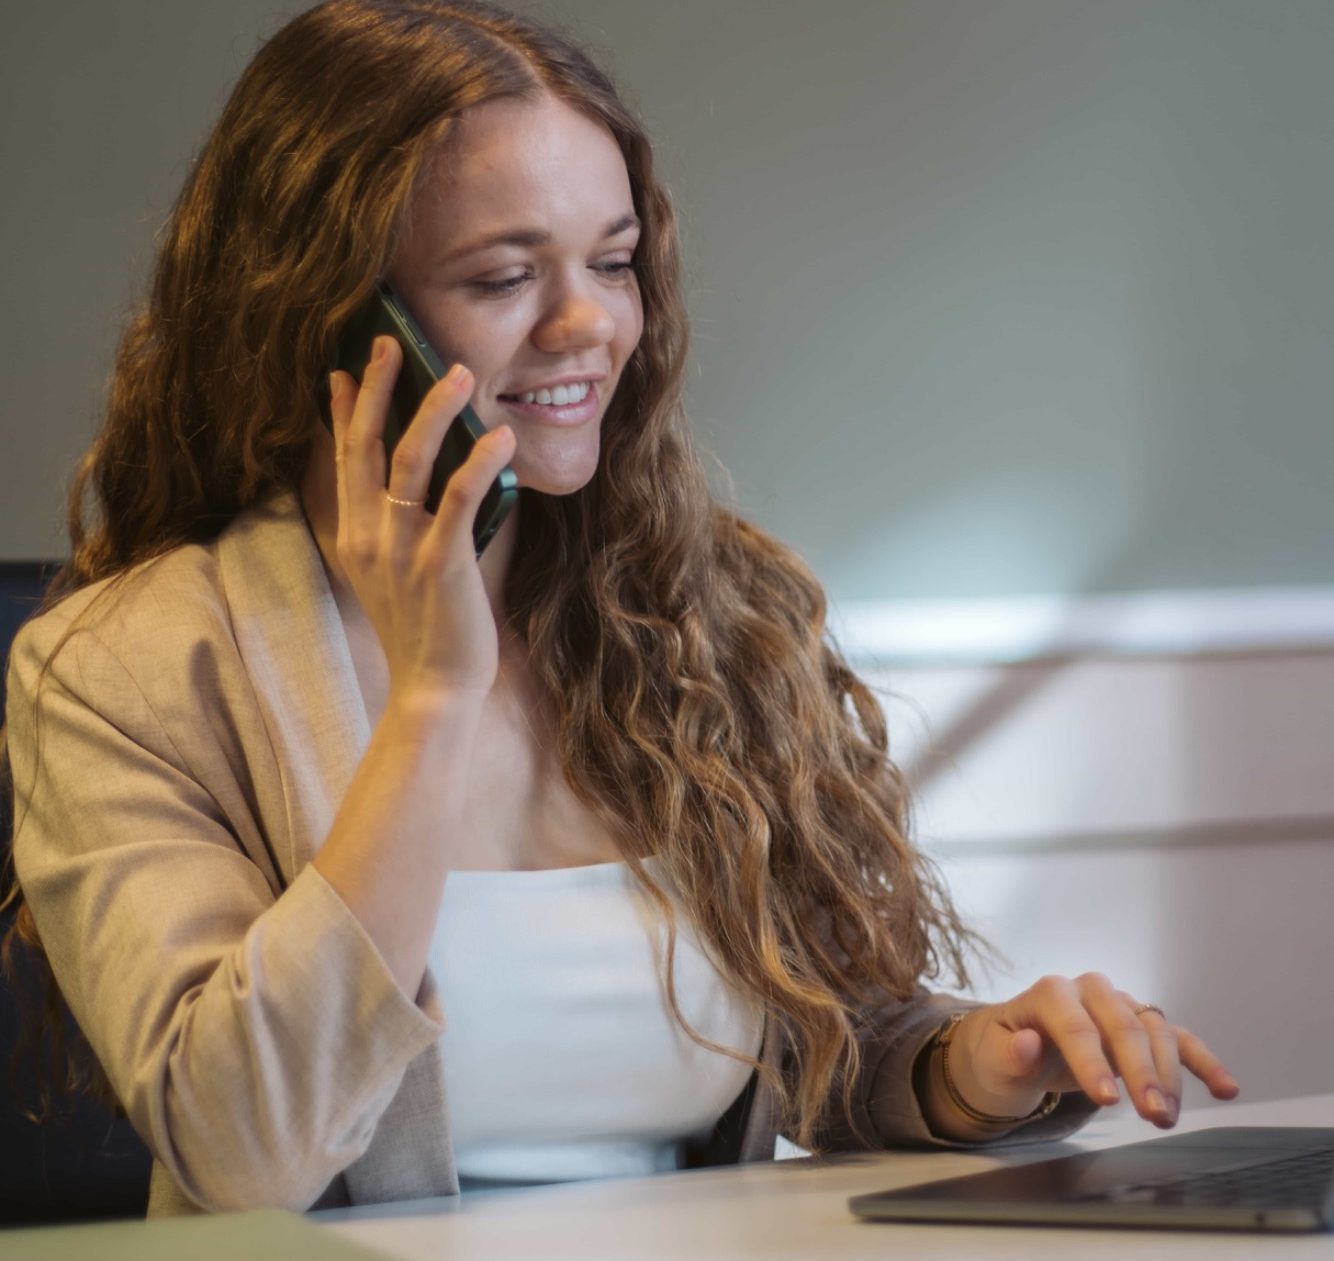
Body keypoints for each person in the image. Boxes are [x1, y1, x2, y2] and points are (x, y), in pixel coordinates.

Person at [2, 0, 1238, 1218]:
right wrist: (433, 701)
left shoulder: (697, 607)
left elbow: (820, 1038)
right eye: (501, 275)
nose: (590, 325)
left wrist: (969, 1067)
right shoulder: (127, 669)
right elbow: (240, 1152)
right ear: (328, 322)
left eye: (610, 260)